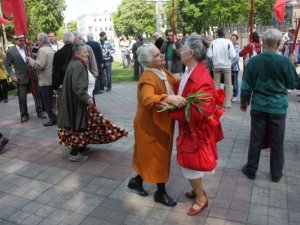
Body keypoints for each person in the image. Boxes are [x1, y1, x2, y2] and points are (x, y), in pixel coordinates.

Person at [168, 35, 225, 216]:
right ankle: (197, 191)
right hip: (190, 130)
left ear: (191, 53)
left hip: (195, 131)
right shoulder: (191, 71)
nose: (180, 51)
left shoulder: (201, 78)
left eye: (183, 48)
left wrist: (169, 110)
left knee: (189, 166)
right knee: (191, 163)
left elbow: (199, 113)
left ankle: (201, 198)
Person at [127, 44, 186, 207]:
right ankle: (160, 193)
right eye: (156, 55)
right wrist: (168, 98)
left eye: (160, 53)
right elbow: (147, 98)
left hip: (159, 124)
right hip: (150, 127)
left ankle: (136, 181)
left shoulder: (162, 71)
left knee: (152, 157)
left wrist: (190, 78)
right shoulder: (147, 77)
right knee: (158, 158)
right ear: (148, 62)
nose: (161, 55)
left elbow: (175, 82)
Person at [240, 28, 299, 183]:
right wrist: (292, 64)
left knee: (255, 139)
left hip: (259, 106)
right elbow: (293, 83)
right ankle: (276, 173)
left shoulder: (254, 61)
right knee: (277, 142)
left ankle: (251, 169)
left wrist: (244, 102)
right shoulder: (285, 61)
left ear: (263, 42)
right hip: (278, 107)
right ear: (279, 43)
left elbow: (246, 84)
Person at [57, 44, 127, 162]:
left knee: (80, 125)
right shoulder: (78, 65)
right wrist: (87, 98)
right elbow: (78, 87)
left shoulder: (74, 63)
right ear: (78, 54)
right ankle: (74, 153)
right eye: (85, 52)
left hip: (74, 102)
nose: (88, 54)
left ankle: (81, 146)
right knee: (77, 125)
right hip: (76, 103)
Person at [5, 35, 45, 122]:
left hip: (33, 76)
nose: (23, 42)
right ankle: (24, 114)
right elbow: (7, 65)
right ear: (16, 41)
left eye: (23, 40)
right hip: (20, 78)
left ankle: (40, 111)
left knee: (37, 95)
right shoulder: (11, 51)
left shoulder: (29, 48)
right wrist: (12, 76)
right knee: (22, 98)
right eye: (21, 41)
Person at [27, 32, 57, 126]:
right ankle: (55, 117)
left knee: (47, 102)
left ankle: (52, 119)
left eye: (38, 40)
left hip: (45, 80)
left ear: (41, 40)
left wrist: (30, 60)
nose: (37, 41)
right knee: (52, 101)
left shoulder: (42, 50)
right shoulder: (50, 49)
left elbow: (40, 65)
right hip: (51, 78)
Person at [207, 27, 236, 108]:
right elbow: (233, 55)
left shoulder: (213, 42)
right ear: (225, 34)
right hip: (227, 66)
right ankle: (227, 103)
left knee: (216, 85)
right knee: (228, 85)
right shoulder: (228, 42)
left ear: (217, 34)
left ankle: (216, 103)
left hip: (216, 66)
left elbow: (209, 55)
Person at [230, 34, 241, 102]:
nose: (232, 40)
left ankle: (235, 95)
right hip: (228, 67)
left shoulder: (237, 48)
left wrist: (230, 64)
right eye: (231, 38)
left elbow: (237, 58)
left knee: (235, 82)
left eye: (234, 39)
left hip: (235, 67)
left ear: (236, 40)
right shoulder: (229, 46)